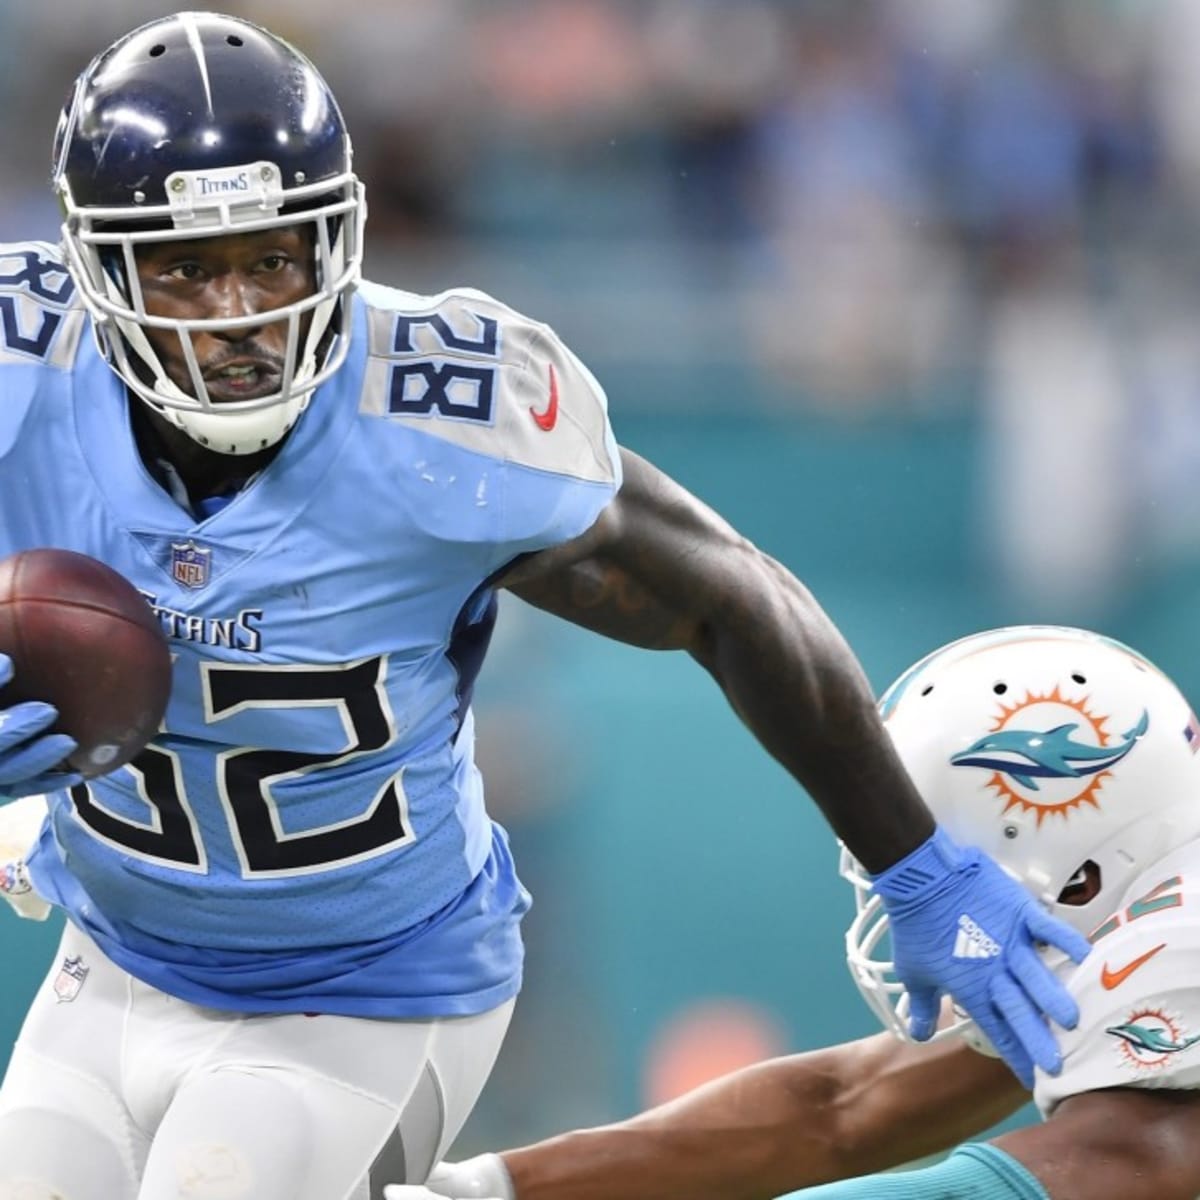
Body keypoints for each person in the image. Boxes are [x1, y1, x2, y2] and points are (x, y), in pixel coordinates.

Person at [0, 13, 1088, 1199]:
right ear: (100, 269)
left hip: (362, 994)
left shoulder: (441, 422)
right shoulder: (26, 368)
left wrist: (916, 866)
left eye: (276, 257)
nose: (242, 313)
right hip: (111, 962)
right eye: (186, 268)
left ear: (339, 240)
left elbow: (733, 599)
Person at [386, 625, 1200, 1200]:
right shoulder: (1120, 915)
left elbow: (1131, 1162)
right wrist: (484, 1191)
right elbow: (843, 1110)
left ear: (1082, 871)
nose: (907, 889)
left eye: (950, 864)